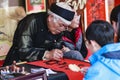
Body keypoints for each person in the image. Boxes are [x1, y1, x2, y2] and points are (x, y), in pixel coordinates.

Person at [3, 2, 76, 66]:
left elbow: (57, 45)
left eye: (66, 27)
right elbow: (23, 50)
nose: (63, 29)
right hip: (18, 64)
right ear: (50, 18)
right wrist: (47, 54)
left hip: (42, 64)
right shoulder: (31, 21)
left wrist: (60, 51)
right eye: (61, 25)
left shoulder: (57, 29)